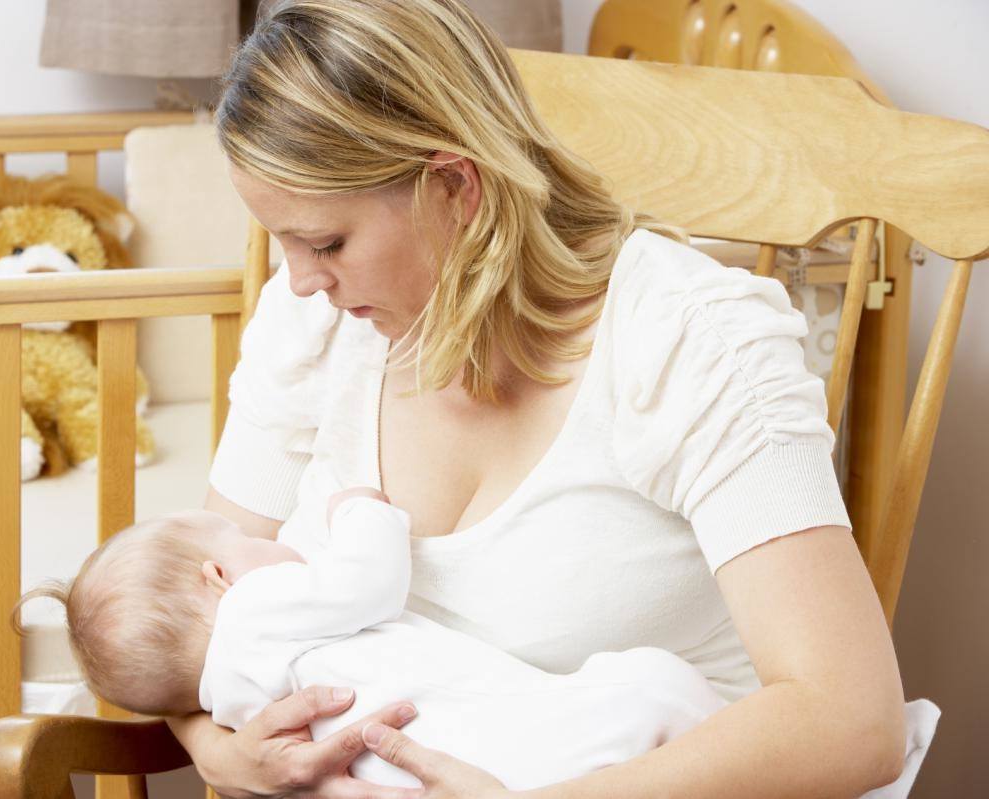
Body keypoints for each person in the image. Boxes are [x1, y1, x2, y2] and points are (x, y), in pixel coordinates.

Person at [164, 1, 920, 796]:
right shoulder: (314, 323)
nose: (302, 279)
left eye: (325, 241)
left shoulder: (688, 339)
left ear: (456, 187)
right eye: (281, 240)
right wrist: (216, 750)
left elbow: (851, 719)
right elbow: (180, 603)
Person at [19, 488, 730, 790]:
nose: (272, 545)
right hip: (504, 746)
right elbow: (368, 582)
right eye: (247, 541)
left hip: (427, 773)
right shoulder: (256, 607)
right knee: (650, 684)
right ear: (218, 576)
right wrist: (361, 507)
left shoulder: (234, 704)